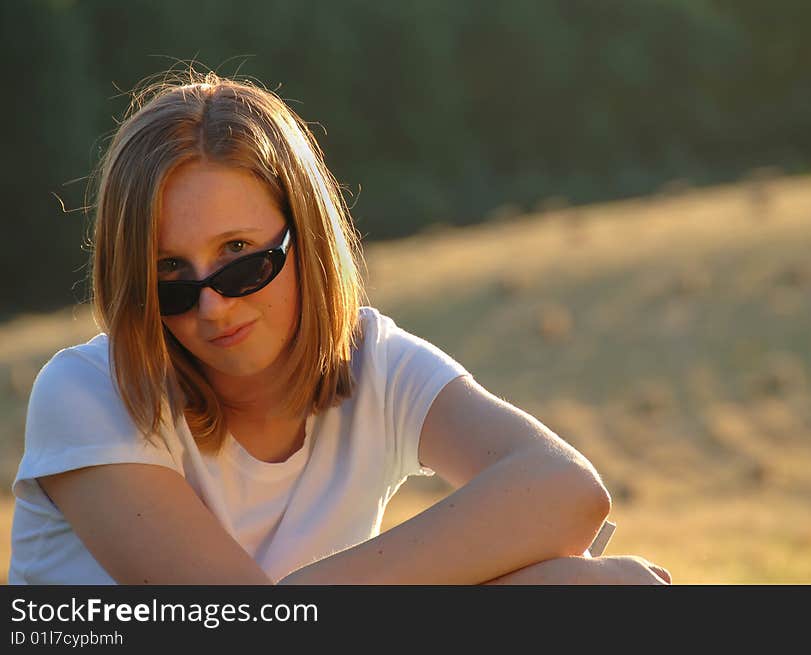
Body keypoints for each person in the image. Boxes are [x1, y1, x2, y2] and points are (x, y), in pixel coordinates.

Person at [8, 72, 670, 585]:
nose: (211, 306)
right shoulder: (88, 392)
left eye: (242, 258)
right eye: (172, 277)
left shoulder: (374, 364)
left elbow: (565, 488)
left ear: (308, 240)